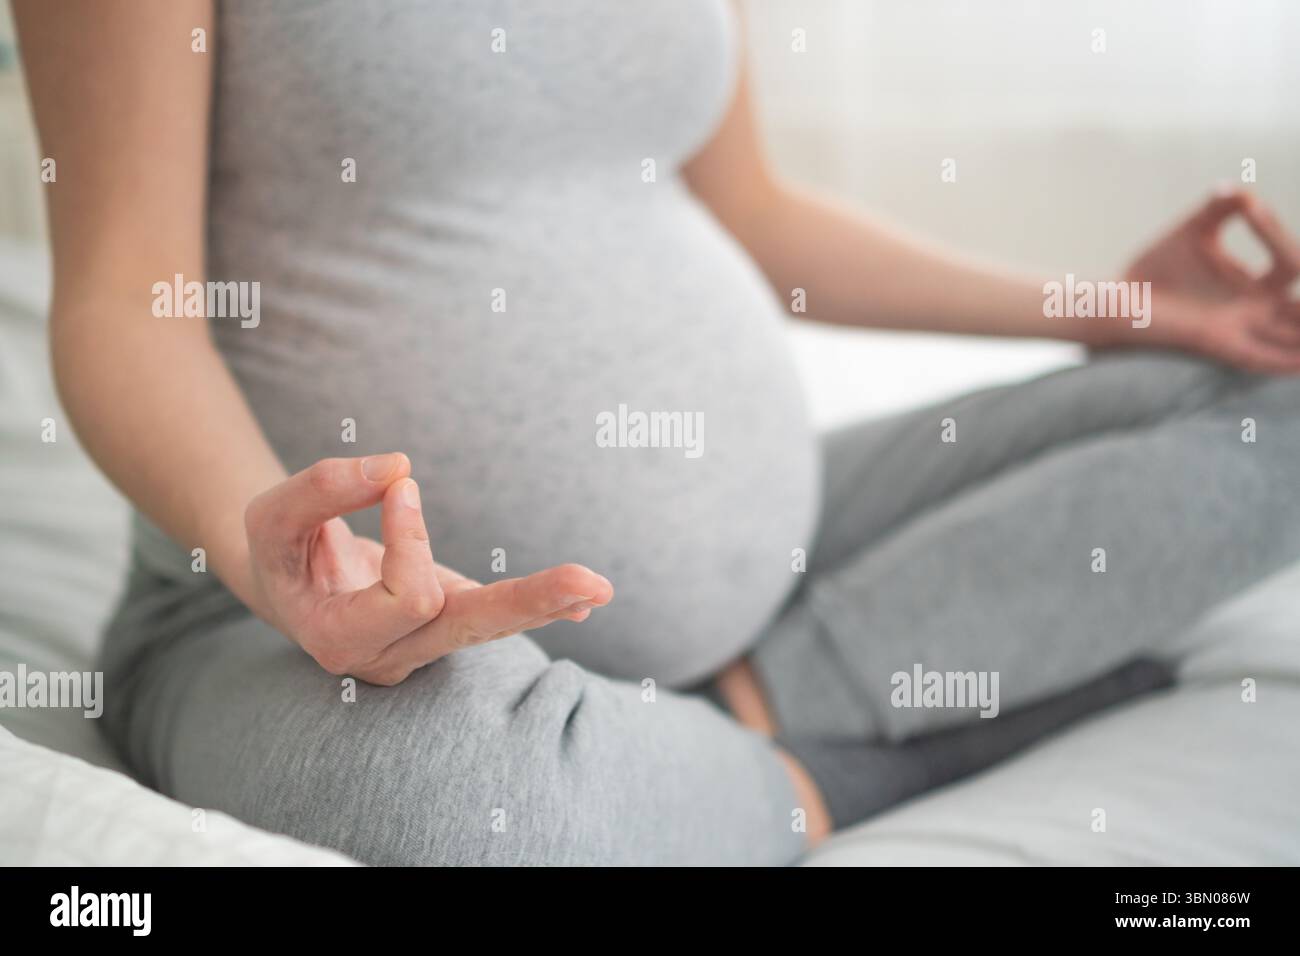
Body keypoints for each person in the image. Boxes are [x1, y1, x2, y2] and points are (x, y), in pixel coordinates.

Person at [15, 0, 1300, 865]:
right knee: (459, 799)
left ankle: (747, 713)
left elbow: (758, 213)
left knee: (1268, 406)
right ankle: (847, 754)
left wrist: (1121, 307)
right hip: (293, 614)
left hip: (776, 542)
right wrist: (281, 573)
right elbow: (128, 302)